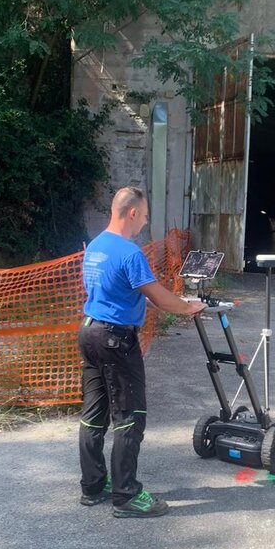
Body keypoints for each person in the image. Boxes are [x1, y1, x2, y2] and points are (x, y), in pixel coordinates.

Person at [78, 186, 206, 518]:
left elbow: (110, 290)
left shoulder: (95, 247)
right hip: (116, 340)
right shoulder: (129, 252)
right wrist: (187, 307)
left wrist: (149, 302)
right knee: (129, 416)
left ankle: (93, 486)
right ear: (132, 213)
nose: (145, 223)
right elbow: (159, 296)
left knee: (94, 414)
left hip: (90, 333)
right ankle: (126, 495)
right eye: (145, 216)